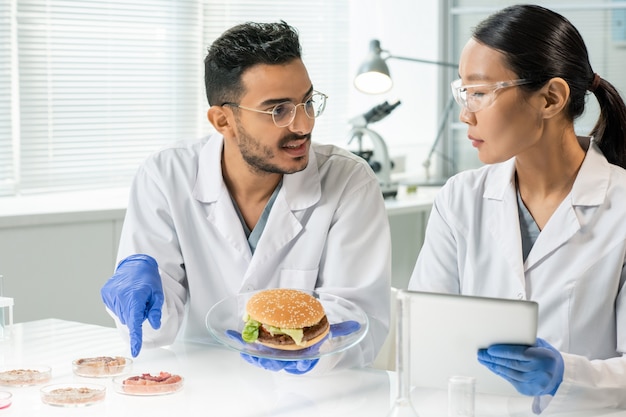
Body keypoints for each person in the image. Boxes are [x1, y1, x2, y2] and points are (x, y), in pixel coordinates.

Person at [101, 21, 391, 375]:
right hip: (204, 388)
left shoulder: (349, 182)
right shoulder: (165, 176)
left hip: (312, 396)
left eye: (307, 102)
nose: (304, 125)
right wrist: (140, 300)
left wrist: (313, 351)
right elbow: (153, 334)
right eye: (278, 110)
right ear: (223, 120)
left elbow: (359, 323)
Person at [408, 4, 626, 414]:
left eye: (480, 92)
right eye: (464, 91)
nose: (464, 113)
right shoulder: (460, 198)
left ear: (551, 98)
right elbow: (423, 334)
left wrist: (569, 376)